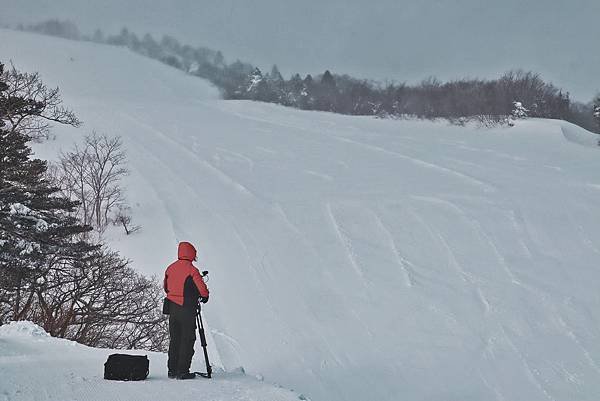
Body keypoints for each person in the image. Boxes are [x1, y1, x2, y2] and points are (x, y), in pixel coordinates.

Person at [164, 241, 210, 379]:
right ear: (191, 254)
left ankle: (172, 370)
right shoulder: (192, 270)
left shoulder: (170, 268)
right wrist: (205, 296)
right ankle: (182, 371)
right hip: (187, 309)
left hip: (172, 308)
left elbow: (166, 287)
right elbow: (202, 290)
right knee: (187, 339)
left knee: (175, 339)